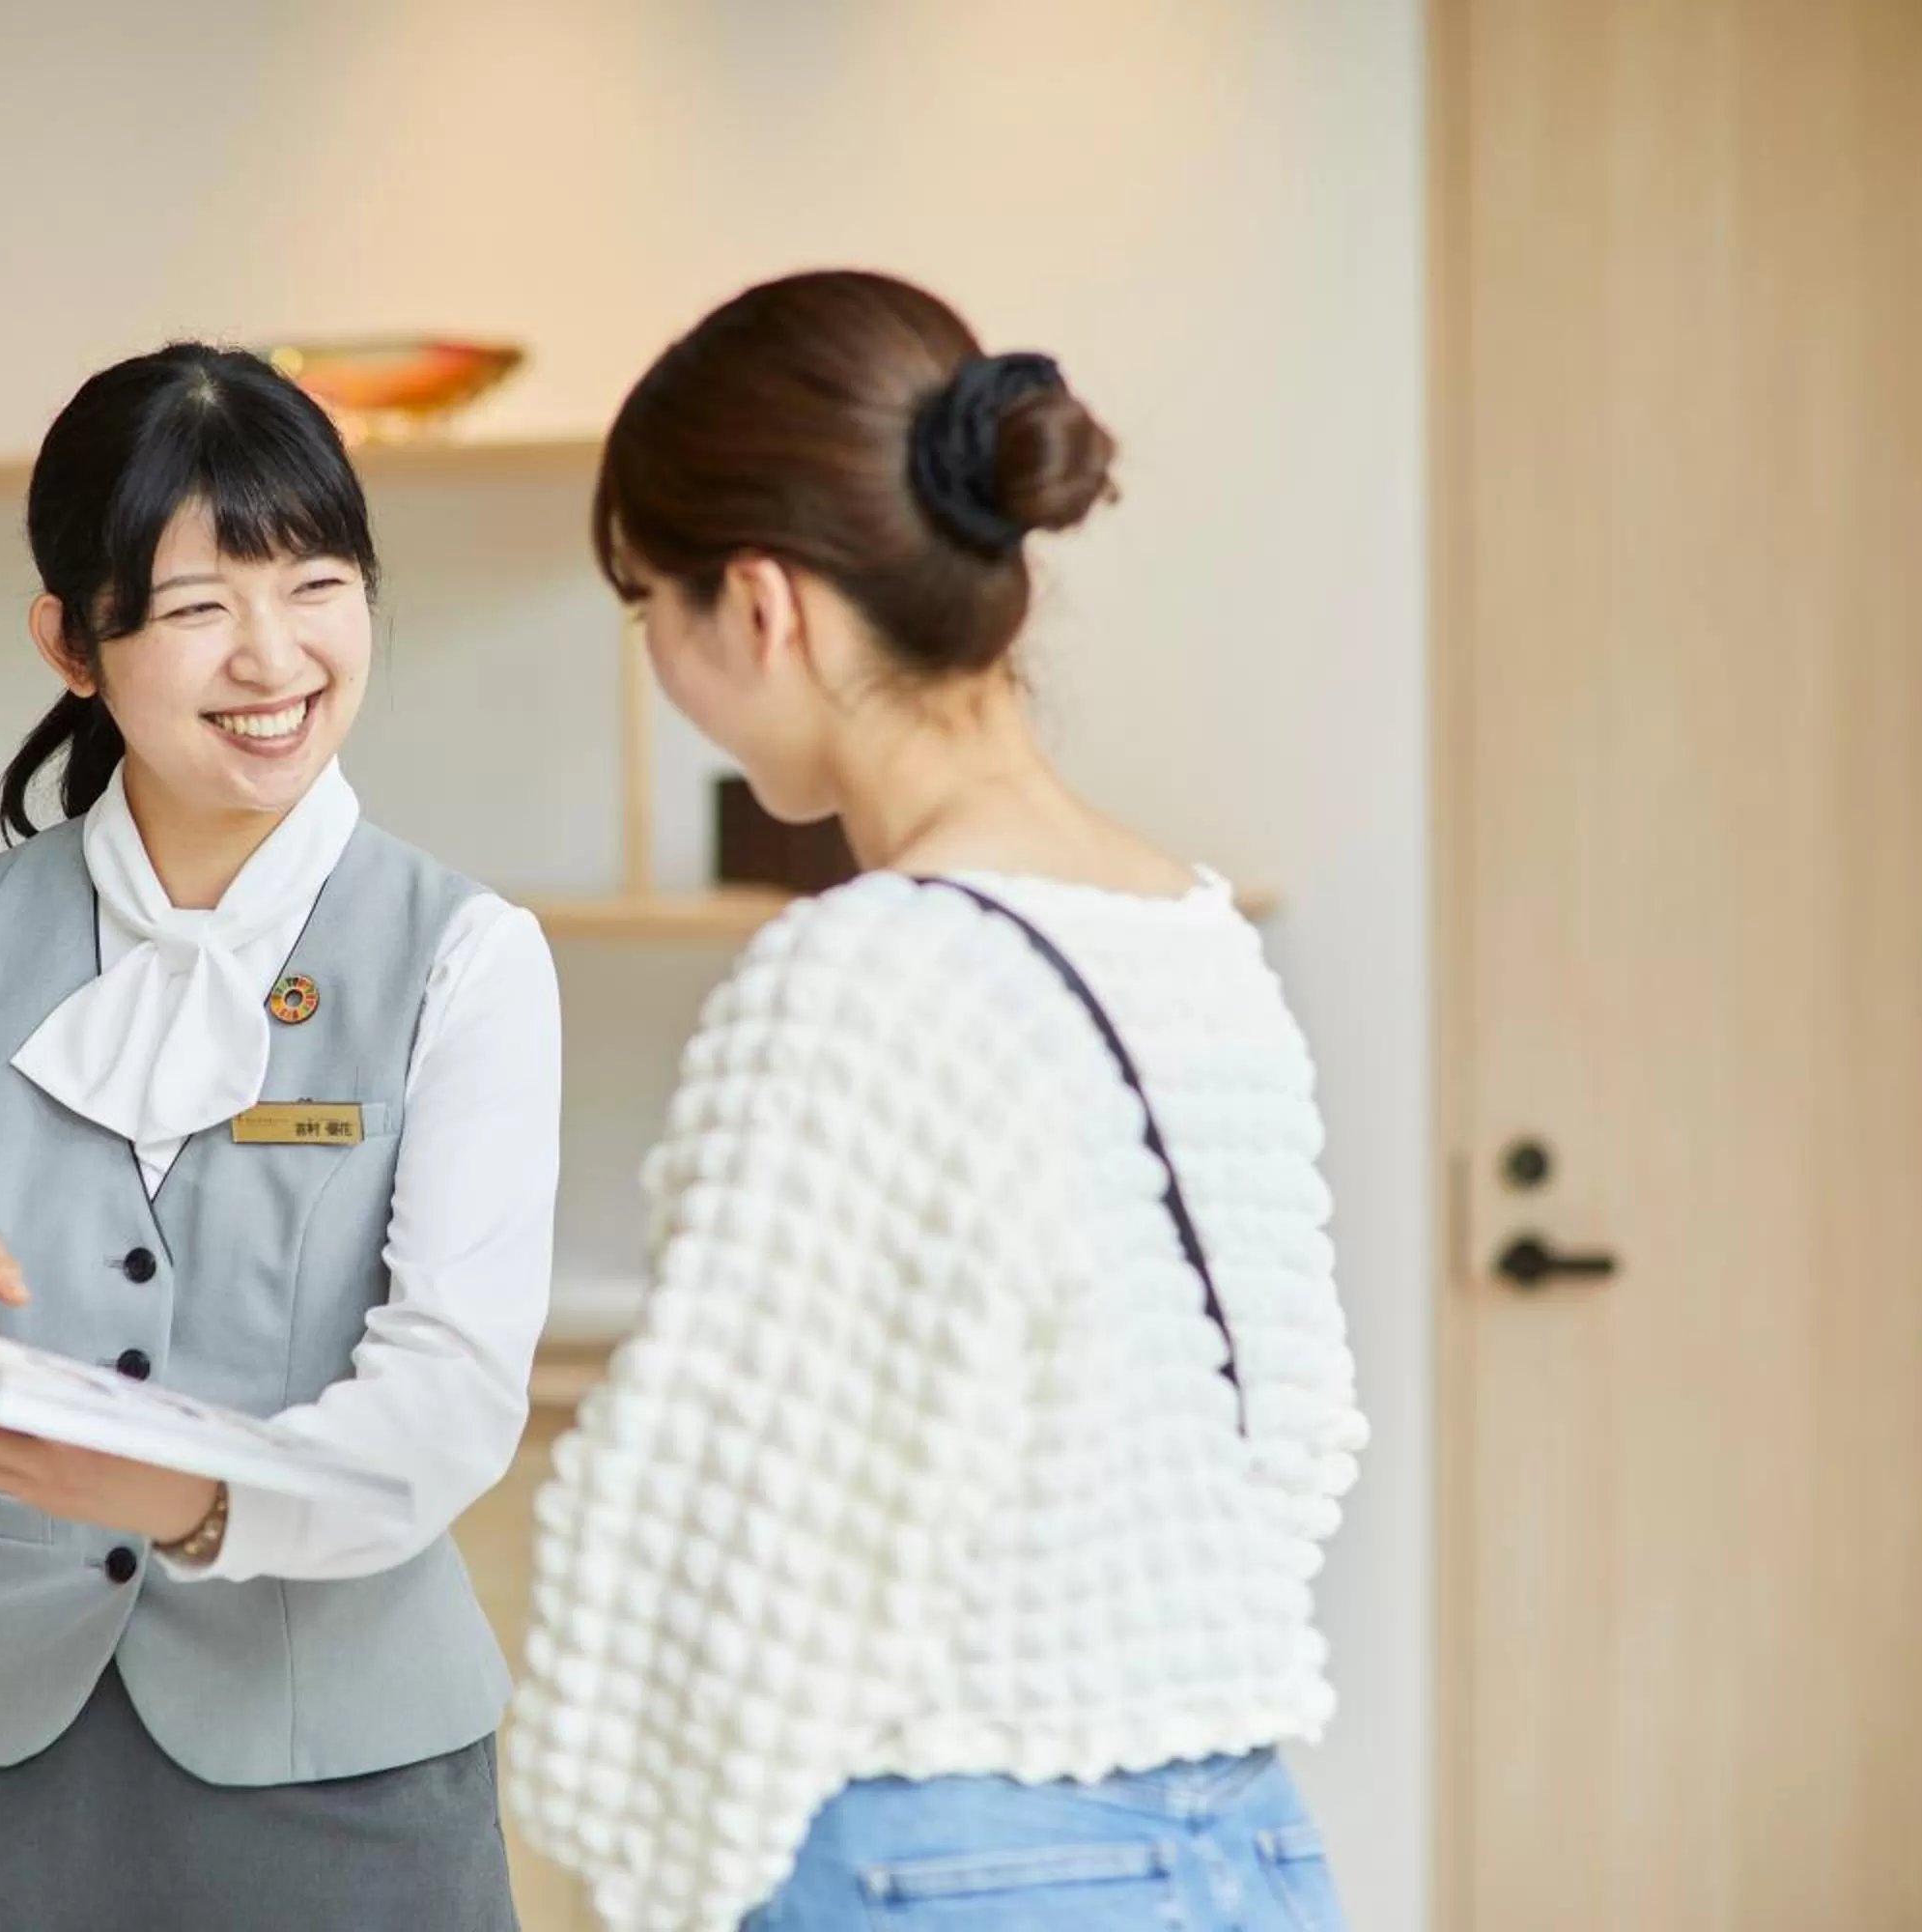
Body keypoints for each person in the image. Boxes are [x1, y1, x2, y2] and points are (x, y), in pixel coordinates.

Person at [507, 270, 1368, 1931]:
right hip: (1247, 1845)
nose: (662, 667)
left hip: (941, 1853)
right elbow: (1297, 1430)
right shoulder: (1195, 944)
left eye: (649, 611)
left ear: (760, 606)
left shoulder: (858, 979)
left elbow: (713, 1534)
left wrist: (642, 1854)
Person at [0, 341, 560, 1930]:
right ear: (72, 640)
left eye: (318, 585)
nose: (273, 658)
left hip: (344, 1777)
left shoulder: (469, 956)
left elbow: (453, 1397)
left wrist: (194, 1506)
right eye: (200, 605)